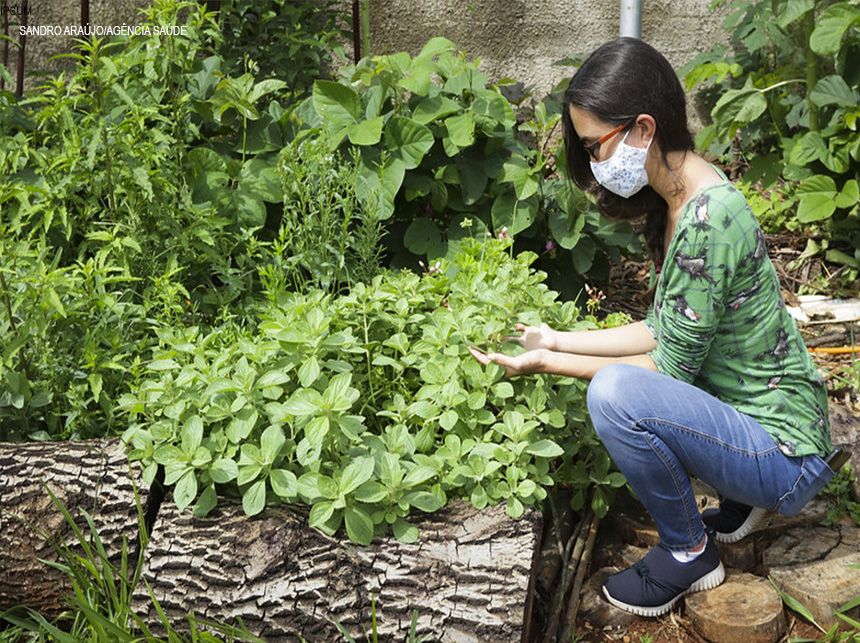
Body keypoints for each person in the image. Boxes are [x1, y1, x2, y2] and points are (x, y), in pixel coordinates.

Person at [468, 37, 839, 617]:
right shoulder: (683, 196)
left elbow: (661, 373)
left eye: (596, 145)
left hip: (788, 455)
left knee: (614, 395)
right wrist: (555, 338)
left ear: (643, 128)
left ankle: (691, 552)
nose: (594, 164)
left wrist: (547, 363)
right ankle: (742, 498)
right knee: (620, 387)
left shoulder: (708, 219)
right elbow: (665, 328)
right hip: (775, 425)